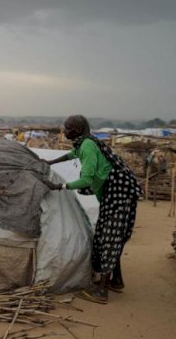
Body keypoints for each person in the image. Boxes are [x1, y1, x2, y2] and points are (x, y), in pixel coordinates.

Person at [44, 115, 142, 304]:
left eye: (68, 128)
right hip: (117, 192)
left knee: (108, 236)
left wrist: (59, 187)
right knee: (113, 236)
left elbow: (87, 180)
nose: (64, 132)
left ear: (78, 129)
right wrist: (51, 162)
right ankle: (117, 280)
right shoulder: (85, 144)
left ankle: (102, 291)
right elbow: (72, 155)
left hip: (118, 194)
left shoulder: (87, 146)